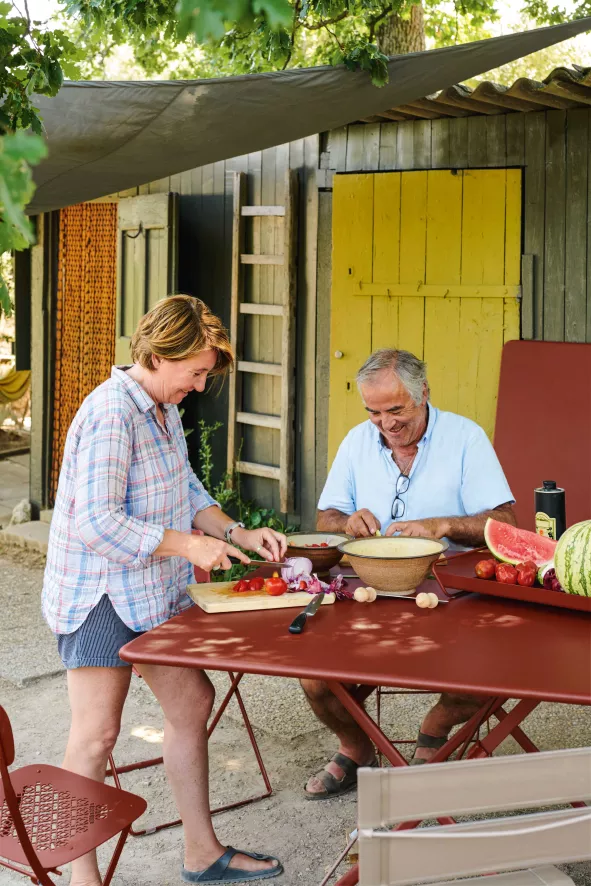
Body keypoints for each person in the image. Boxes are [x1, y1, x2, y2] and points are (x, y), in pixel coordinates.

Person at [42, 295, 286, 884]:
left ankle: (201, 854)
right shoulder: (110, 414)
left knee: (192, 702)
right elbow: (93, 523)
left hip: (150, 592)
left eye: (205, 374)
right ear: (156, 355)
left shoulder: (162, 408)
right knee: (97, 734)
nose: (200, 386)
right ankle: (83, 880)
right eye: (195, 372)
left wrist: (234, 531)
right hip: (100, 595)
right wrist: (187, 547)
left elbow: (184, 486)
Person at [302, 348, 516, 799]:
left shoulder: (465, 438)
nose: (385, 424)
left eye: (396, 410)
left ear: (424, 395)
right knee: (315, 680)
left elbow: (506, 524)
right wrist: (348, 521)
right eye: (374, 412)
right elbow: (326, 518)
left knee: (488, 671)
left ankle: (434, 730)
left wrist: (445, 524)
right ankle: (358, 747)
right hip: (369, 590)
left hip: (452, 593)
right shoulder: (359, 439)